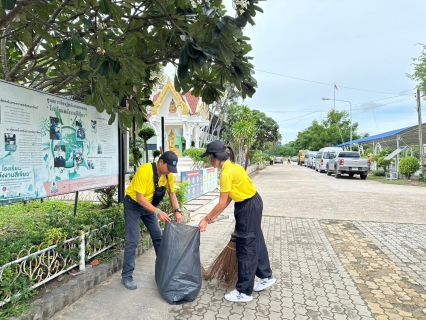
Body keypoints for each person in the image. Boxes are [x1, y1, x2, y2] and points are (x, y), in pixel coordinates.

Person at [199, 141, 275, 302]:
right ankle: (266, 276)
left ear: (213, 157)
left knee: (245, 246)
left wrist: (205, 219)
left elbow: (221, 201)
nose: (208, 161)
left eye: (208, 158)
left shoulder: (226, 173)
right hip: (253, 203)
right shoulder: (233, 166)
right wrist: (215, 215)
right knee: (256, 240)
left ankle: (244, 291)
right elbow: (226, 199)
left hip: (247, 207)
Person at [121, 151, 183, 290]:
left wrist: (177, 211)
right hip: (134, 205)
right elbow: (140, 198)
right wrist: (157, 212)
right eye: (168, 168)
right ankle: (127, 276)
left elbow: (172, 193)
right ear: (161, 162)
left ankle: (164, 271)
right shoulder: (145, 170)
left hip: (149, 207)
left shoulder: (168, 175)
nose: (169, 172)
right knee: (133, 240)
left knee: (158, 237)